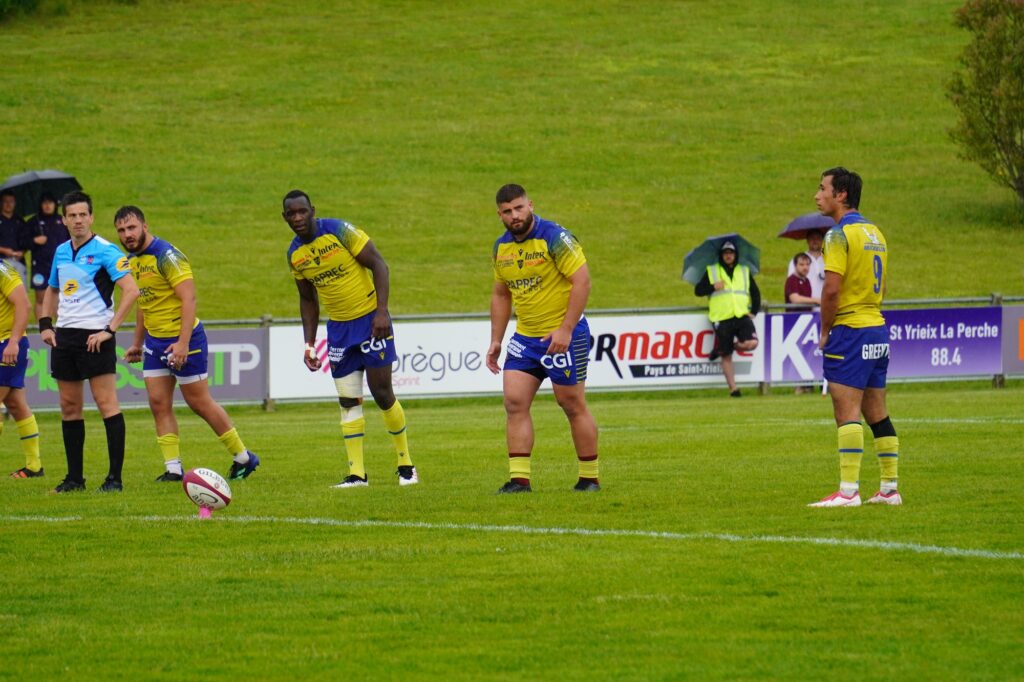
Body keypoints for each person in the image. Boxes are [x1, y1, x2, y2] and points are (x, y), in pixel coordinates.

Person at [115, 206, 259, 483]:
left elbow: (188, 298)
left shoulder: (167, 256)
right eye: (121, 230)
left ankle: (243, 457)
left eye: (131, 228)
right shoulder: (131, 261)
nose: (127, 234)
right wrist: (137, 342)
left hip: (185, 340)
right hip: (155, 343)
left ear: (145, 226)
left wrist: (182, 344)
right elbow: (144, 304)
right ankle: (173, 469)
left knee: (199, 402)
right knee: (158, 403)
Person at [283, 189, 416, 488]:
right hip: (339, 331)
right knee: (348, 401)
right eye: (291, 214)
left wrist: (381, 312)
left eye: (302, 211)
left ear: (312, 210)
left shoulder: (339, 231)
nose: (298, 217)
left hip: (371, 321)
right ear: (285, 218)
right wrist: (308, 344)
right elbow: (308, 299)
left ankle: (406, 466)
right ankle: (357, 475)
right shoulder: (295, 254)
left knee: (382, 393)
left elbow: (379, 265)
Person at [486, 184, 599, 493]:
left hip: (564, 335)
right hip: (526, 338)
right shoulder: (501, 248)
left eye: (519, 208)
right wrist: (496, 339)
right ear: (500, 215)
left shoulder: (555, 238)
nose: (514, 215)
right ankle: (519, 480)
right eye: (507, 211)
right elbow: (501, 294)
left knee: (571, 403)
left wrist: (565, 329)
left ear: (531, 205)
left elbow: (583, 282)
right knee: (514, 402)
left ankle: (589, 479)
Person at [809, 167, 901, 507]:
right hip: (876, 328)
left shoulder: (837, 235)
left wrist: (825, 331)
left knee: (845, 411)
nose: (817, 195)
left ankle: (848, 492)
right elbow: (883, 286)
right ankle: (889, 488)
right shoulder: (875, 233)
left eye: (822, 189)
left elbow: (832, 290)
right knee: (877, 412)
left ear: (841, 194)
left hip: (850, 331)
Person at [39, 191, 139, 493]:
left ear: (91, 217)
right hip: (65, 336)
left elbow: (131, 291)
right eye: (72, 215)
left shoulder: (107, 251)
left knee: (106, 403)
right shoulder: (60, 251)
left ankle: (114, 479)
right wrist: (45, 324)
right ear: (64, 220)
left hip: (96, 336)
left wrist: (109, 330)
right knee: (69, 406)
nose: (78, 220)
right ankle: (74, 479)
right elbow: (52, 290)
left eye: (83, 214)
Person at [693, 241, 761, 397]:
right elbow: (698, 290)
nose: (728, 256)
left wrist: (754, 311)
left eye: (731, 253)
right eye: (725, 253)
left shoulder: (744, 270)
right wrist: (713, 287)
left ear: (736, 255)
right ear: (721, 255)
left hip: (741, 315)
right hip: (721, 316)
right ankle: (733, 389)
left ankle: (723, 347)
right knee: (726, 355)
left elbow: (755, 292)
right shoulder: (712, 271)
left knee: (752, 343)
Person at [0, 259, 43, 479]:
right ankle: (34, 466)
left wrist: (14, 342)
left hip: (7, 344)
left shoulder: (2, 269)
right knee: (16, 404)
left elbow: (24, 305)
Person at [30, 193, 70, 321]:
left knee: (59, 297)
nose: (47, 206)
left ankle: (59, 327)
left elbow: (71, 241)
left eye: (50, 203)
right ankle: (41, 327)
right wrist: (34, 240)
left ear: (55, 204)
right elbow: (22, 242)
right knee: (40, 298)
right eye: (44, 203)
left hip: (60, 265)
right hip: (40, 266)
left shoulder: (62, 222)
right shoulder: (34, 221)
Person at [0, 190, 31, 283]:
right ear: (1, 203)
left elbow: (26, 241)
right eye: (6, 201)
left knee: (21, 289)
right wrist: (4, 250)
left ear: (15, 203)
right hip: (2, 262)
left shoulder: (20, 221)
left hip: (19, 261)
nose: (8, 204)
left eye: (11, 201)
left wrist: (22, 252)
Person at [786, 228, 826, 300]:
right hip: (805, 304)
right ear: (807, 240)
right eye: (812, 238)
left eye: (818, 238)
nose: (815, 241)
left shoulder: (829, 259)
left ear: (822, 240)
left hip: (826, 303)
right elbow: (792, 283)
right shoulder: (797, 260)